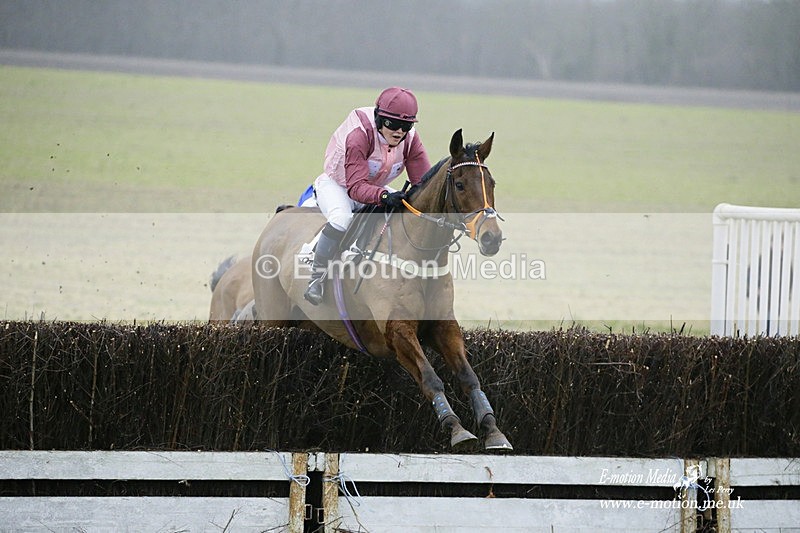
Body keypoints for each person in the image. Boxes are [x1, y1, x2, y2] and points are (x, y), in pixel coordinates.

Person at [304, 87, 432, 305]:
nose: (399, 132)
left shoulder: (411, 139)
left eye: (406, 126)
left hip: (374, 188)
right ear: (378, 118)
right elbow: (355, 188)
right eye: (392, 124)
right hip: (338, 186)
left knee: (407, 210)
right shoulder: (359, 135)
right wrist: (383, 197)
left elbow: (423, 184)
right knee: (342, 219)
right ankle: (316, 279)